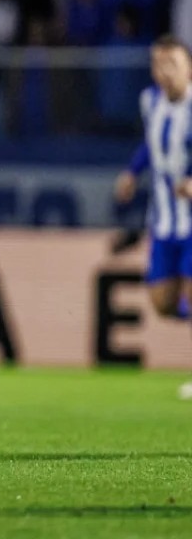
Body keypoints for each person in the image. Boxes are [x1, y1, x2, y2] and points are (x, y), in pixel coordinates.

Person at [113, 33, 192, 400]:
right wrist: (132, 172)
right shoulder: (150, 101)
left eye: (171, 64)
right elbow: (151, 143)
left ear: (189, 69)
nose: (163, 72)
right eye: (157, 64)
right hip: (163, 222)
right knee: (162, 302)